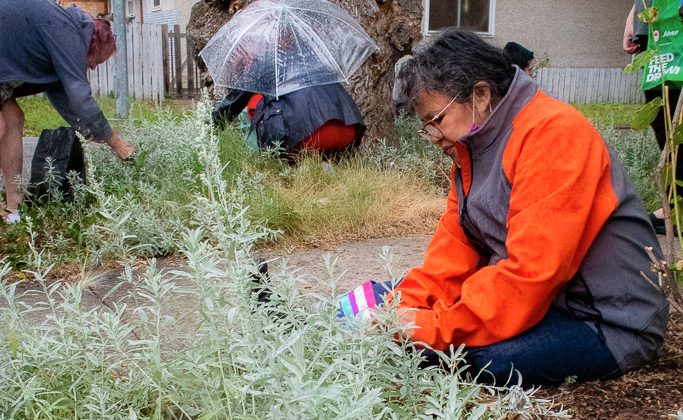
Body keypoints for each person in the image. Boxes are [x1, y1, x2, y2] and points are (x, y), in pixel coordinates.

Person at [339, 29, 669, 387]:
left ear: (480, 95)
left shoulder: (552, 133)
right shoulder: (472, 146)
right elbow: (451, 258)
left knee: (479, 358)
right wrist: (396, 312)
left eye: (436, 120)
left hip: (606, 322)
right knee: (387, 301)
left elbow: (530, 275)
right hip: (541, 302)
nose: (432, 137)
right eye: (425, 126)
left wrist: (426, 327)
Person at [0, 0, 138, 224]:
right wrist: (115, 142)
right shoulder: (68, 34)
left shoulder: (64, 35)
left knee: (13, 119)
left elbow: (68, 103)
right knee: (2, 126)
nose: (93, 67)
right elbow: (80, 97)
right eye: (97, 61)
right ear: (92, 44)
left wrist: (93, 132)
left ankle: (13, 209)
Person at [623, 0, 682, 234]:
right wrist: (632, 18)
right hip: (657, 29)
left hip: (677, 22)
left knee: (678, 119)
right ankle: (673, 203)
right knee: (663, 121)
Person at [212, 83, 365, 159]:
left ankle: (274, 162)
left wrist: (210, 129)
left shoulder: (265, 63)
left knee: (255, 101)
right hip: (348, 129)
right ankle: (323, 167)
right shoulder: (317, 57)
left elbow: (234, 103)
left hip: (311, 135)